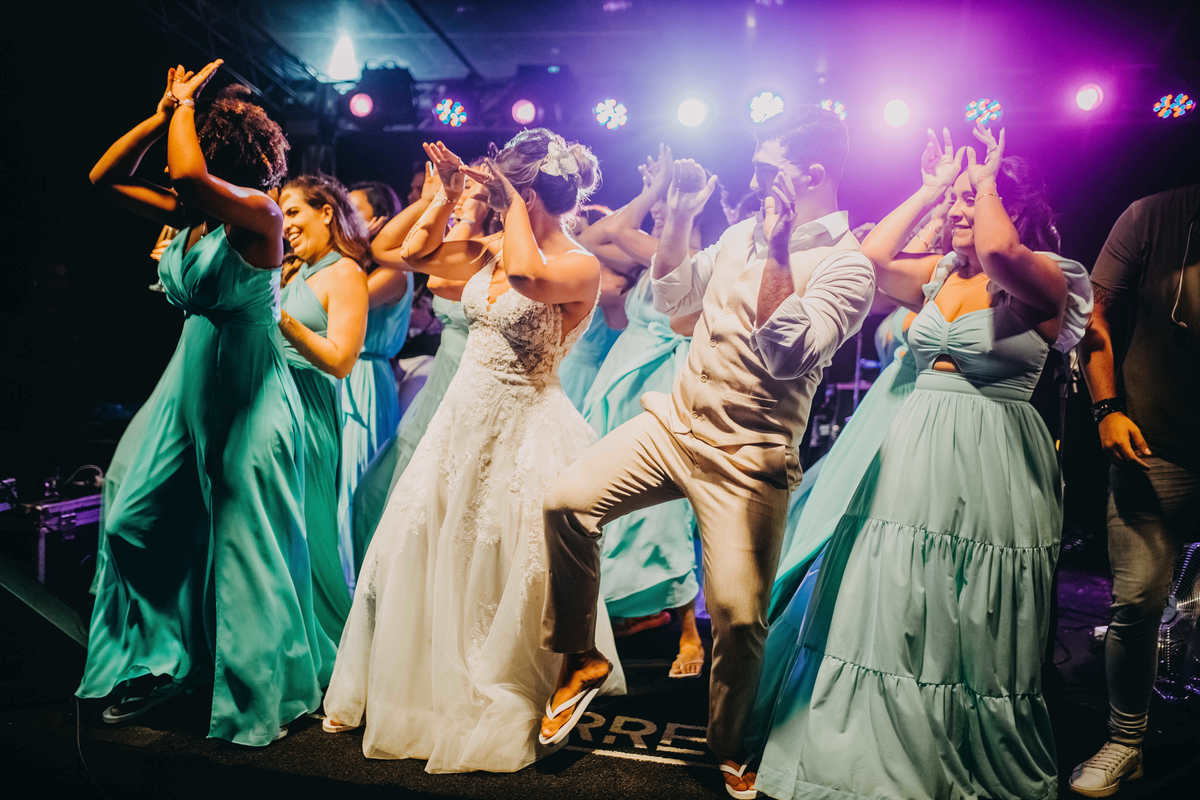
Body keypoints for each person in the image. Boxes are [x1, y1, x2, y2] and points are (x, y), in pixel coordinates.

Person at [539, 106, 875, 798]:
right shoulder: (744, 232)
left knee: (740, 617)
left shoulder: (848, 266)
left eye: (766, 168)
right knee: (565, 503)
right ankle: (581, 658)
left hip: (749, 460)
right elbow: (672, 302)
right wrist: (683, 217)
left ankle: (728, 744)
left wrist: (778, 254)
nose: (753, 181)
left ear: (811, 173)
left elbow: (786, 355)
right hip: (676, 425)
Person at [752, 124, 1091, 800]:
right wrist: (932, 189)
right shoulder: (938, 274)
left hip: (992, 456)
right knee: (896, 594)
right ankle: (871, 751)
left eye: (974, 198)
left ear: (1012, 206)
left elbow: (999, 250)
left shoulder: (1050, 276)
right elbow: (871, 258)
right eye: (956, 200)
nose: (960, 210)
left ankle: (953, 750)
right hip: (912, 451)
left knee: (966, 608)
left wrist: (983, 182)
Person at [321, 131, 626, 774]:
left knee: (500, 556)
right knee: (430, 545)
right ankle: (429, 694)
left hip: (525, 424)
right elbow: (400, 251)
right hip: (459, 420)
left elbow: (528, 277)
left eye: (505, 189)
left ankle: (511, 682)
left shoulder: (577, 264)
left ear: (526, 194)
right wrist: (445, 195)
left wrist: (508, 199)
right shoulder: (491, 248)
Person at [78, 62, 327, 746]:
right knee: (132, 520)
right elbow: (103, 177)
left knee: (245, 549)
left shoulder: (261, 215)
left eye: (185, 143)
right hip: (185, 390)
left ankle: (258, 688)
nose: (173, 156)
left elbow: (187, 174)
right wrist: (163, 115)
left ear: (221, 158)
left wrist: (187, 106)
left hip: (247, 395)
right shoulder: (192, 218)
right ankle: (169, 661)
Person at [1071, 183, 1200, 797]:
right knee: (1138, 601)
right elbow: (1091, 315)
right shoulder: (1152, 217)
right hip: (1153, 445)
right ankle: (1126, 742)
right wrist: (1106, 408)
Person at [347, 161, 498, 568]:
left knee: (441, 510)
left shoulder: (495, 251)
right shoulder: (454, 244)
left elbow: (438, 283)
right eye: (461, 188)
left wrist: (465, 217)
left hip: (475, 388)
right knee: (375, 497)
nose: (462, 196)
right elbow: (383, 248)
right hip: (439, 389)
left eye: (472, 190)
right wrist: (433, 200)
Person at [276, 174, 370, 652]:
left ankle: (330, 645)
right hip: (271, 406)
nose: (285, 224)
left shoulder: (345, 273)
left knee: (308, 532)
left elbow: (340, 360)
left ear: (326, 212)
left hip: (308, 410)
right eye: (281, 214)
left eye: (293, 211)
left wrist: (281, 318)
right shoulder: (293, 271)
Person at [336, 179, 420, 585]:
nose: (344, 220)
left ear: (381, 221)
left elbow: (340, 303)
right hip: (343, 374)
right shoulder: (359, 268)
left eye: (353, 212)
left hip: (366, 379)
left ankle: (358, 584)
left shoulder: (393, 272)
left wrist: (348, 249)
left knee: (358, 483)